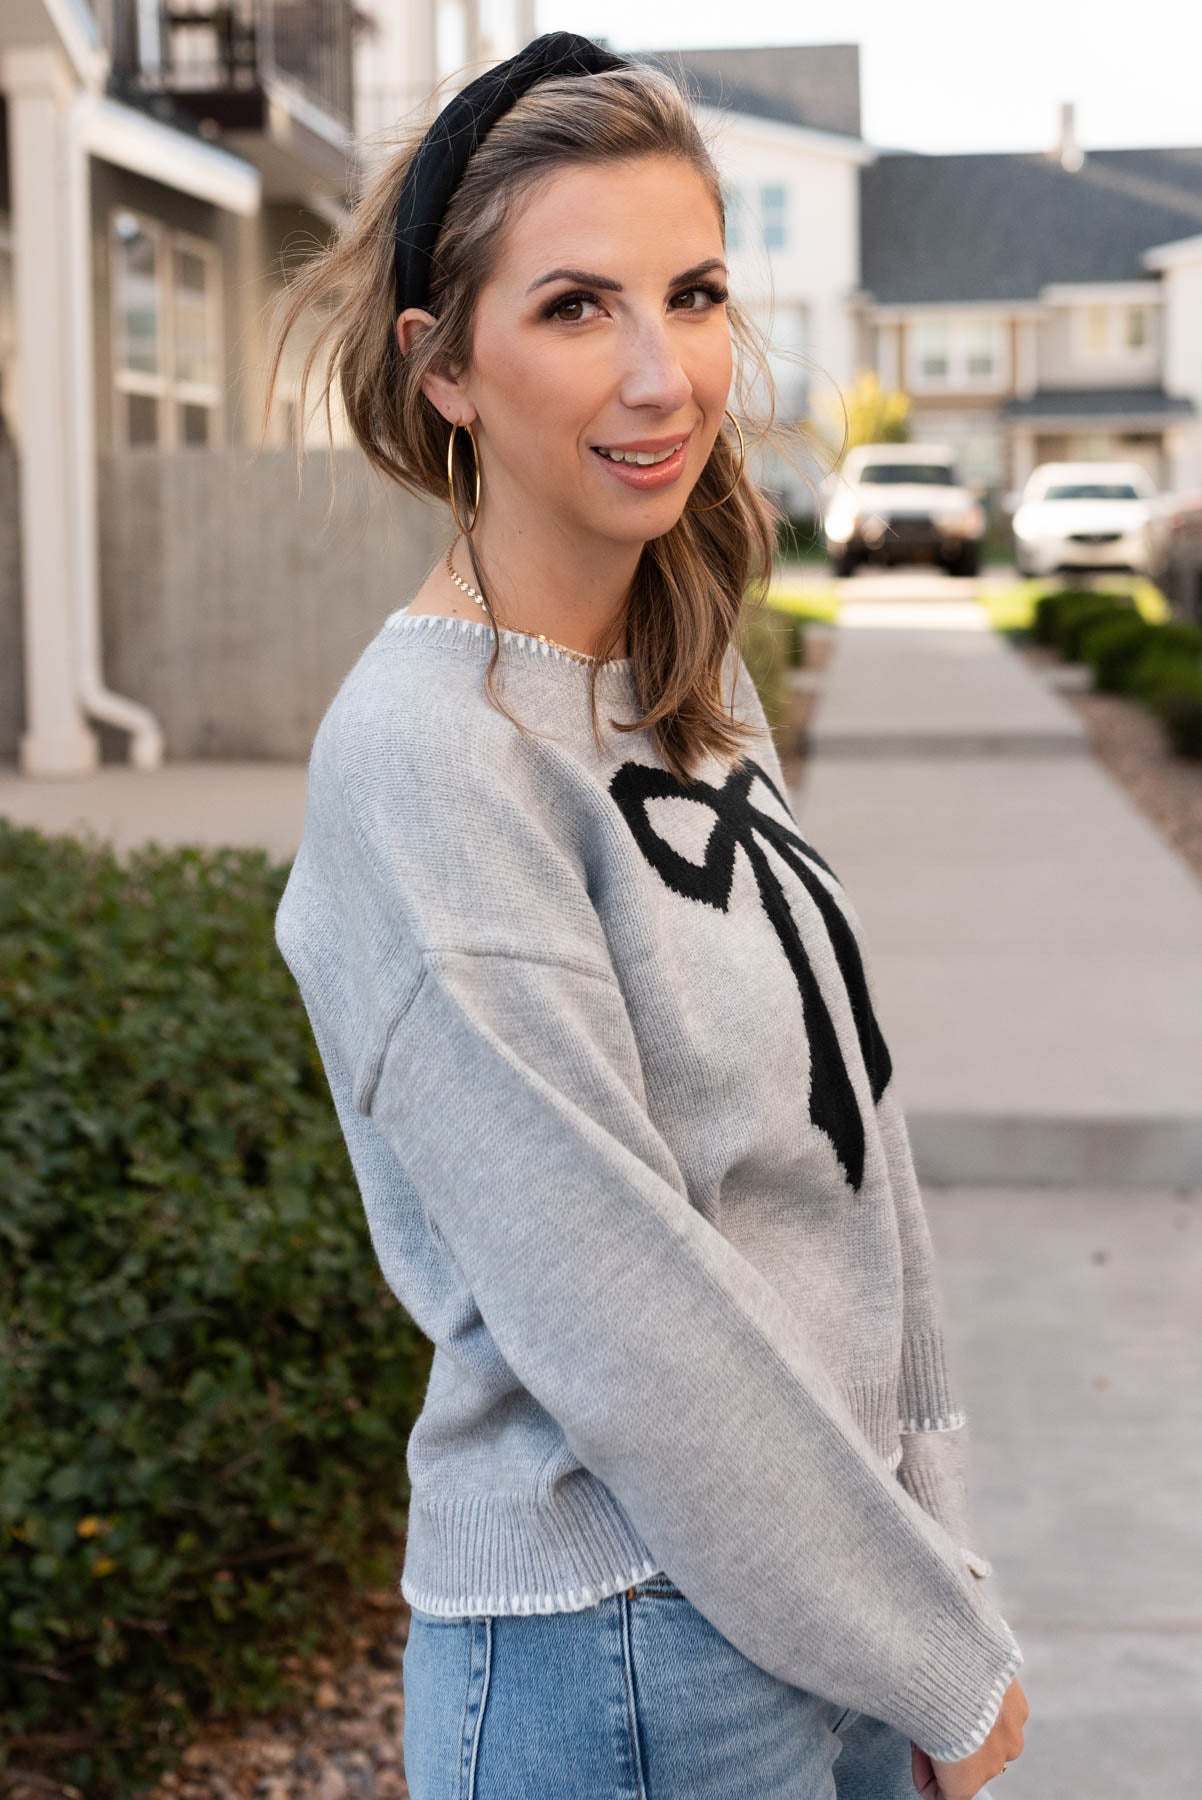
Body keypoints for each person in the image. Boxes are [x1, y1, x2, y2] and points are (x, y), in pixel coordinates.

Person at [266, 32, 1029, 1800]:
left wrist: (936, 1568)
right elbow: (621, 1306)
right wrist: (924, 1648)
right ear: (440, 368)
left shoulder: (679, 674)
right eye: (573, 307)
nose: (658, 371)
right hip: (618, 1652)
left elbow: (854, 1156)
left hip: (820, 1609)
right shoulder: (428, 762)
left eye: (688, 295)